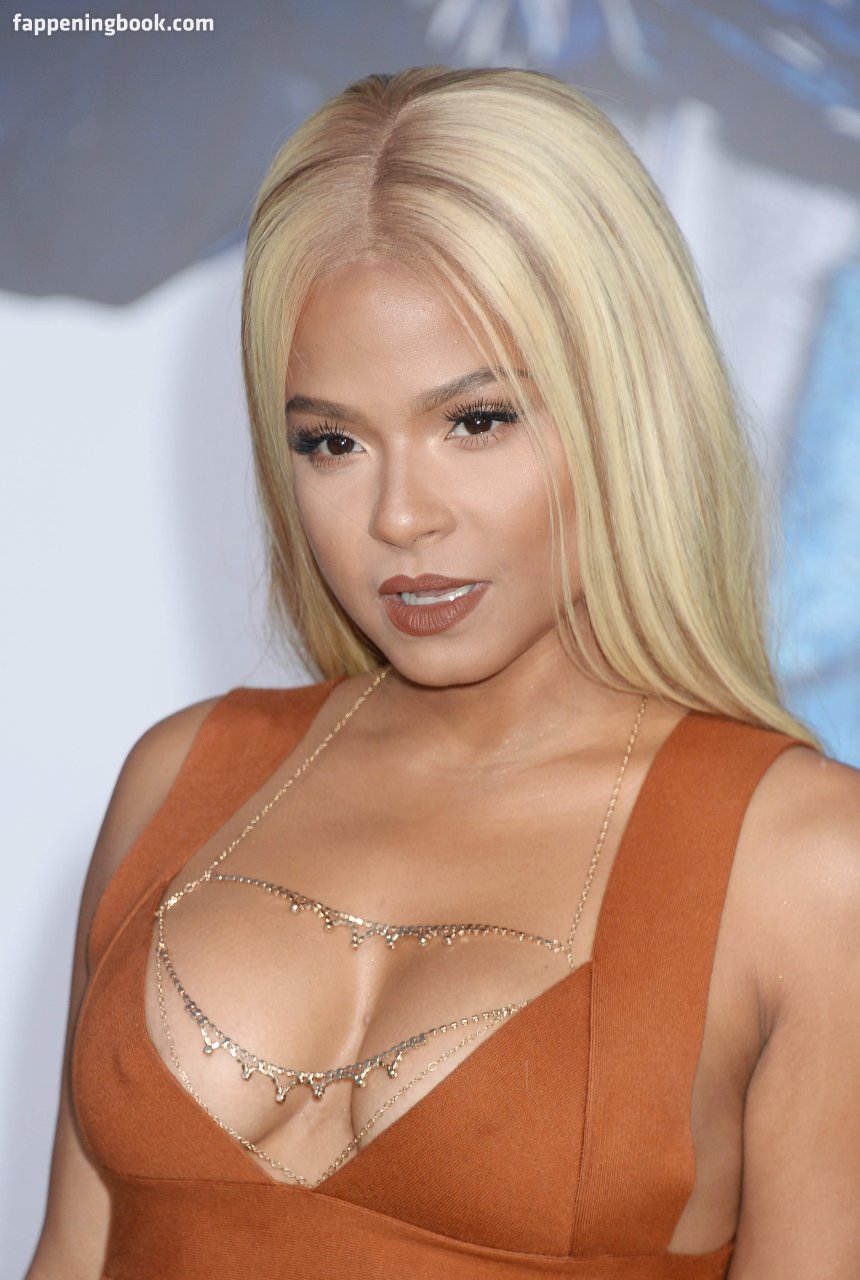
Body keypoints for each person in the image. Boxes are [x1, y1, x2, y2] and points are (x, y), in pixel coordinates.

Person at [27, 67, 860, 1280]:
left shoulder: (805, 866)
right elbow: (71, 1252)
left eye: (475, 421)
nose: (399, 515)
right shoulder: (181, 778)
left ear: (623, 406)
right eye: (331, 441)